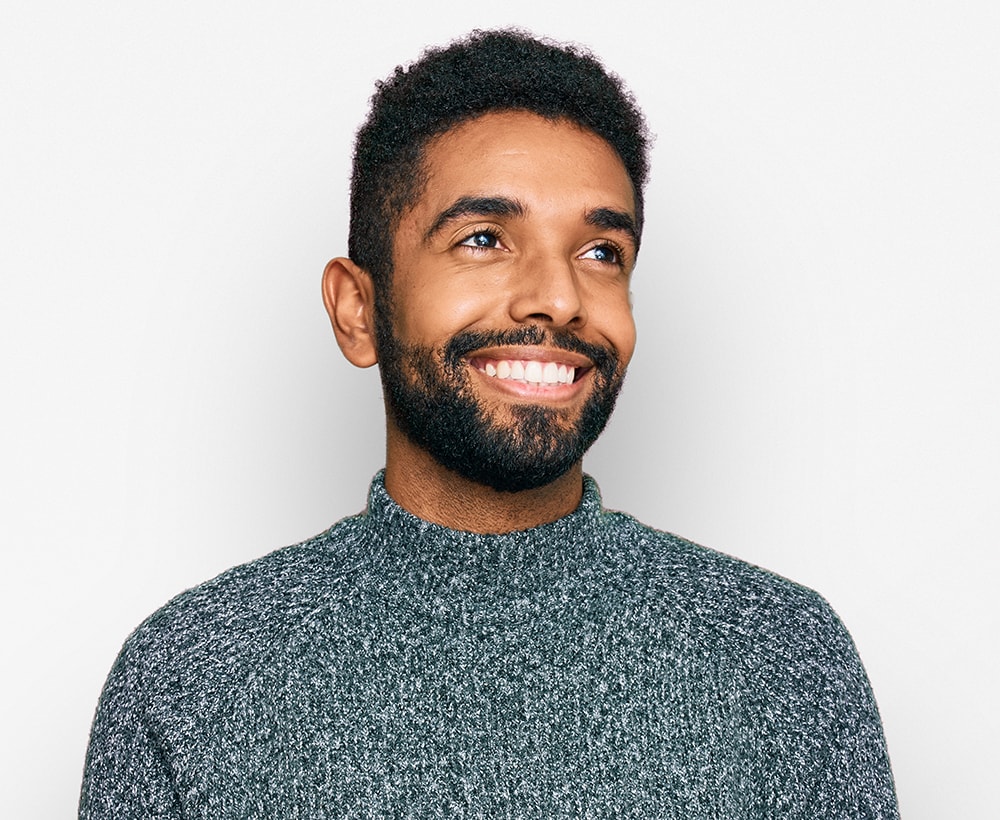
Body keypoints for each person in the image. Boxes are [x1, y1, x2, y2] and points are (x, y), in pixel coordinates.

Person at [80, 29, 899, 818]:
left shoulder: (785, 659)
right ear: (359, 310)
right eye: (484, 238)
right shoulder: (188, 679)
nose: (558, 296)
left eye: (601, 252)